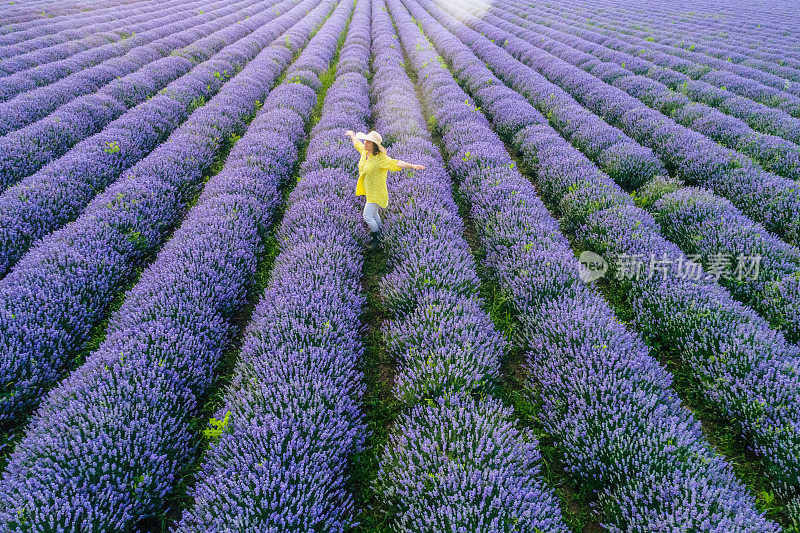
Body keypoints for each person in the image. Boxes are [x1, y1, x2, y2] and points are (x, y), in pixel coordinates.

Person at [344, 129, 426, 250]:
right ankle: (381, 233)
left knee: (367, 215)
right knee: (374, 214)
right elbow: (357, 144)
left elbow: (396, 163)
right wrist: (352, 135)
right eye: (365, 141)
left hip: (377, 192)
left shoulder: (380, 158)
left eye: (368, 142)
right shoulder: (364, 153)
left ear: (374, 146)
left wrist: (413, 166)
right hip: (369, 190)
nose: (365, 144)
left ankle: (376, 239)